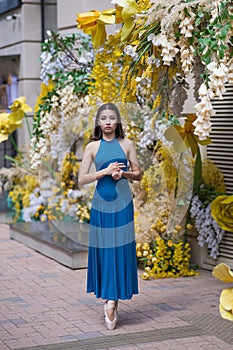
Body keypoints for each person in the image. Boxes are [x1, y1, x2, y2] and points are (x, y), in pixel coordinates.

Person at [78, 102, 141, 330]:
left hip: (123, 205)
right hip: (101, 207)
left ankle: (113, 299)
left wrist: (123, 173)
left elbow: (139, 174)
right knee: (106, 251)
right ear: (98, 122)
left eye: (111, 118)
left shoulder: (127, 144)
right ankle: (110, 301)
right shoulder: (92, 147)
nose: (107, 122)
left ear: (117, 121)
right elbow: (81, 179)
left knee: (120, 250)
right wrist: (104, 171)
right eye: (103, 118)